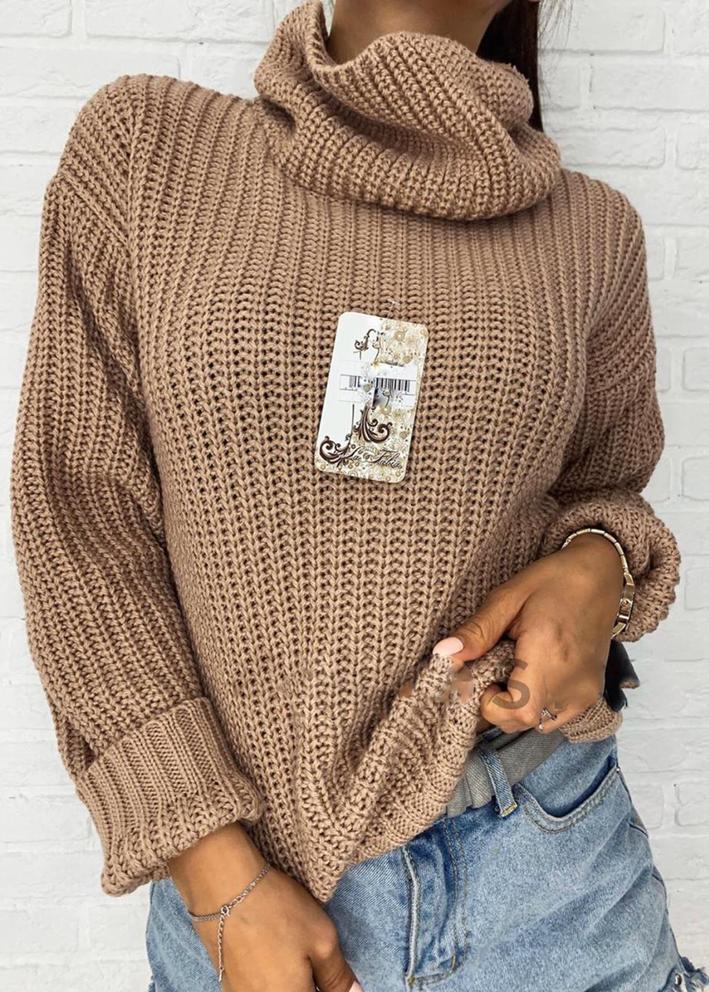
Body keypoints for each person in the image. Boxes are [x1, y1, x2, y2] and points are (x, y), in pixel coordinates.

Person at [9, 0, 708, 989]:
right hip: (250, 910)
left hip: (550, 873)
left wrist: (599, 560)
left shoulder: (592, 234)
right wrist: (213, 873)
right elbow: (82, 522)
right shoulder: (145, 150)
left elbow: (604, 491)